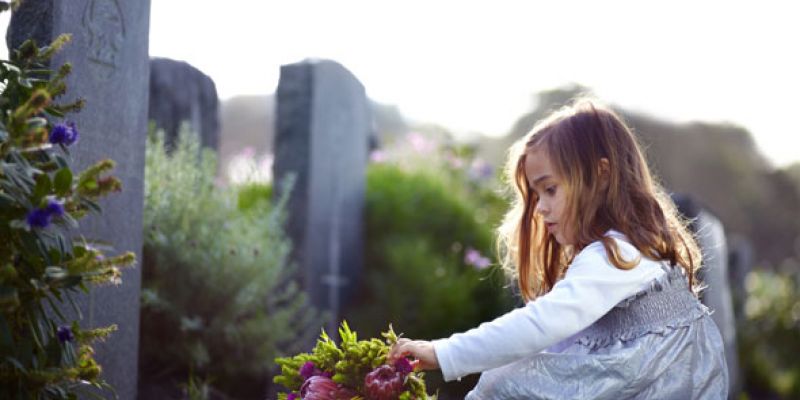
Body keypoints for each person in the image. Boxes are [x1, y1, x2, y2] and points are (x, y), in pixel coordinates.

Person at [387, 99, 728, 399]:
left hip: (658, 388)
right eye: (536, 195)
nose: (539, 208)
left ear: (602, 174)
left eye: (550, 190)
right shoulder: (630, 249)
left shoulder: (618, 256)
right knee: (511, 376)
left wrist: (442, 353)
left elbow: (539, 324)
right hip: (645, 379)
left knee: (507, 381)